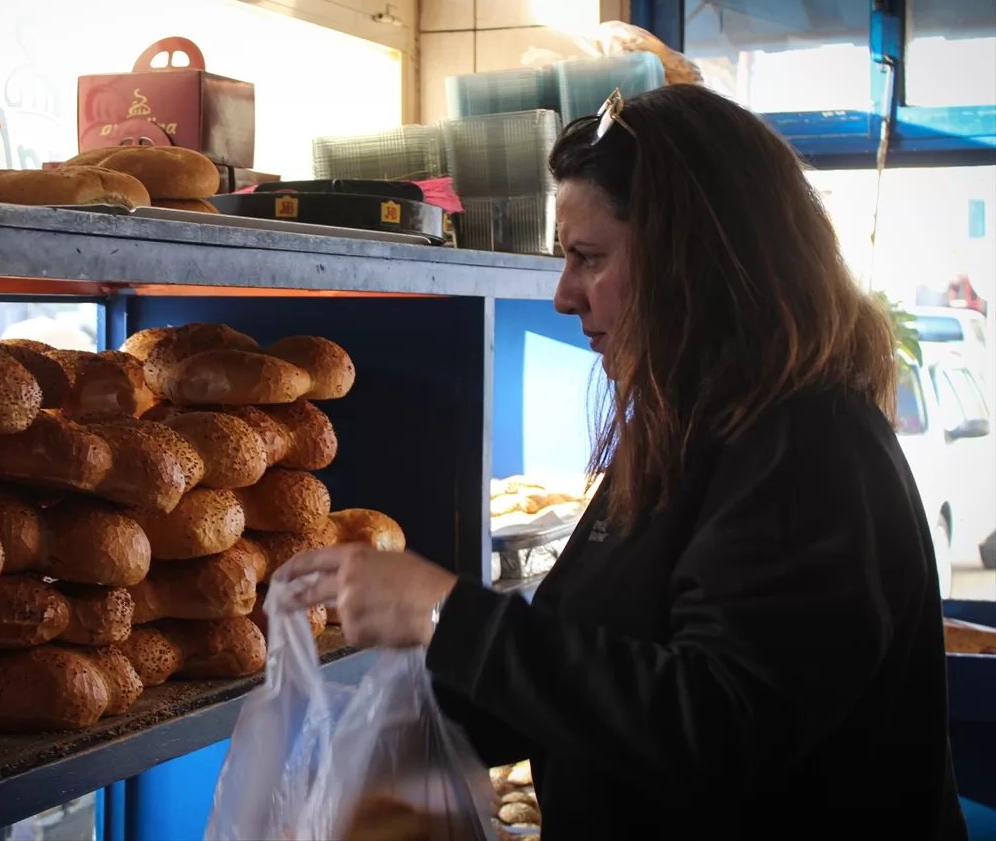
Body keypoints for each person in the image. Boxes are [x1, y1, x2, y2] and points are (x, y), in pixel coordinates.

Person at [279, 85, 967, 840]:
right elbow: (605, 667)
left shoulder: (812, 446)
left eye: (588, 258)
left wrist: (449, 617)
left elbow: (720, 727)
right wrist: (417, 732)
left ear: (696, 263)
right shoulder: (687, 426)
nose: (563, 296)